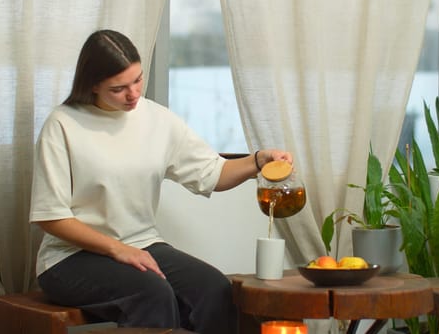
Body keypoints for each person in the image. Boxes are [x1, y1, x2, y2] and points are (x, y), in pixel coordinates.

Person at [29, 29, 292, 334]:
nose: (133, 94)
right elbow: (51, 217)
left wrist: (259, 161)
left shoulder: (158, 120)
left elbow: (213, 173)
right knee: (151, 293)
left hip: (143, 244)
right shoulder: (63, 125)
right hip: (70, 257)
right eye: (119, 88)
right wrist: (117, 249)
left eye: (138, 79)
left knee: (216, 290)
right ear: (93, 85)